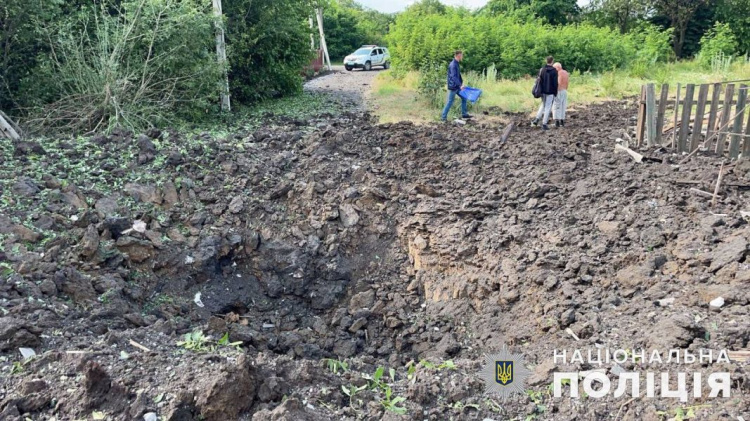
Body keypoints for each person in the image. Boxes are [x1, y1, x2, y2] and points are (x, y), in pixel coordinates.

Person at [441, 50, 472, 122]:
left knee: (464, 98)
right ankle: (443, 117)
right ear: (459, 55)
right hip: (453, 87)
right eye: (462, 55)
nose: (462, 57)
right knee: (450, 102)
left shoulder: (456, 63)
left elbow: (458, 75)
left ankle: (464, 114)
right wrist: (460, 85)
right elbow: (454, 77)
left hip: (457, 86)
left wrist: (461, 84)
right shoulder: (453, 65)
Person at [531, 56, 558, 130]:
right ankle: (544, 124)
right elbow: (555, 83)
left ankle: (536, 119)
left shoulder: (542, 70)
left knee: (543, 105)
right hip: (550, 92)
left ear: (546, 61)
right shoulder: (554, 71)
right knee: (548, 107)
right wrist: (555, 92)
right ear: (552, 61)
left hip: (542, 91)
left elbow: (539, 80)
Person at [552, 62, 569, 127]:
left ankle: (557, 122)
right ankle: (562, 121)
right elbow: (567, 82)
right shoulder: (565, 72)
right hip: (564, 90)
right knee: (563, 106)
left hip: (559, 91)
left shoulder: (559, 73)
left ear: (558, 67)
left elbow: (558, 83)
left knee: (556, 106)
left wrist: (554, 91)